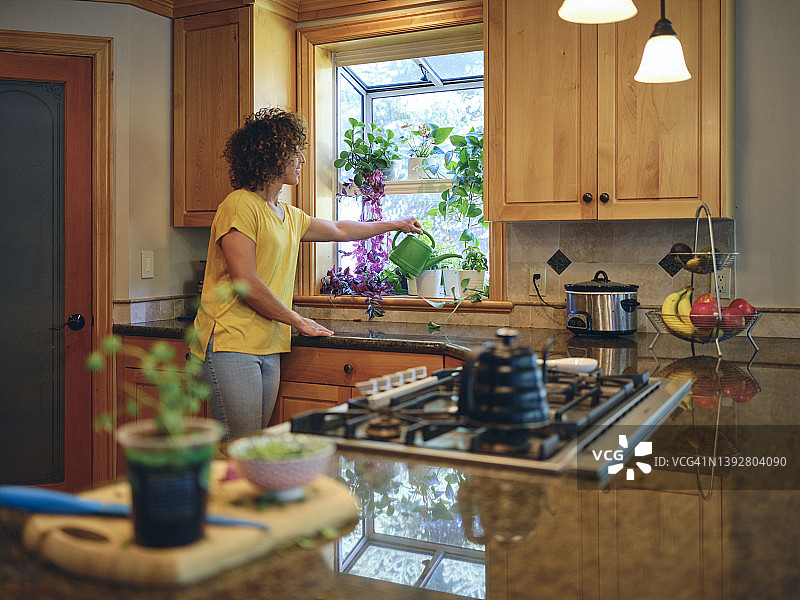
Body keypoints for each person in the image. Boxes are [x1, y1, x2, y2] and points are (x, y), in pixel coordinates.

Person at [189, 107, 422, 440]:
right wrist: (297, 320)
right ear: (271, 155)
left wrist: (396, 224)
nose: (301, 159)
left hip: (268, 343)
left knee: (255, 446)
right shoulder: (239, 205)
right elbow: (246, 282)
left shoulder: (288, 215)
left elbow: (341, 229)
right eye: (294, 151)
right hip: (230, 341)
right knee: (240, 448)